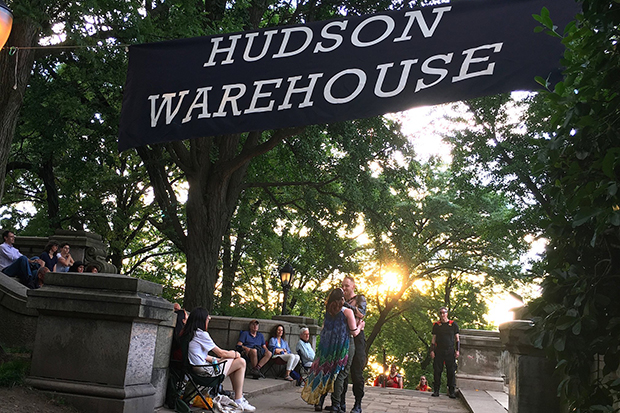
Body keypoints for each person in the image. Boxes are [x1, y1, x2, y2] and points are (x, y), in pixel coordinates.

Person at [179, 307, 256, 412]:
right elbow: (221, 352)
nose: (209, 319)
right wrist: (235, 353)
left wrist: (220, 359)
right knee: (241, 362)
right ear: (202, 320)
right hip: (207, 374)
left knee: (236, 363)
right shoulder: (201, 334)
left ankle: (238, 398)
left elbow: (204, 356)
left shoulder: (189, 334)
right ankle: (239, 399)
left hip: (196, 371)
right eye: (207, 318)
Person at [301, 288, 364, 412]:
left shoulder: (328, 311)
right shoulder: (347, 312)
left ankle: (318, 402)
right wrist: (360, 326)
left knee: (324, 371)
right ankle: (336, 405)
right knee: (341, 374)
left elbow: (325, 328)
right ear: (342, 299)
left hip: (327, 346)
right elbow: (354, 332)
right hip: (343, 345)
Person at [340, 276, 367, 413]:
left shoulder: (360, 298)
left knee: (356, 372)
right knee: (342, 371)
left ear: (353, 287)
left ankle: (358, 404)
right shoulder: (340, 299)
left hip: (357, 338)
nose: (344, 288)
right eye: (342, 286)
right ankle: (341, 403)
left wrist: (344, 304)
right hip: (343, 337)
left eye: (347, 286)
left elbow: (361, 313)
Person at [430, 306, 460, 398]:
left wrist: (457, 350)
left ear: (447, 313)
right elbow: (433, 339)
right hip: (439, 351)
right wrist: (432, 351)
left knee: (451, 371)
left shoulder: (453, 325)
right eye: (441, 313)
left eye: (444, 312)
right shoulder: (436, 325)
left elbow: (457, 339)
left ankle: (451, 391)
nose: (442, 315)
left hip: (450, 351)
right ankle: (436, 390)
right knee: (437, 371)